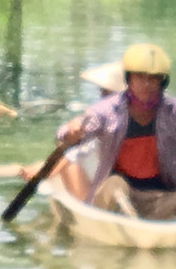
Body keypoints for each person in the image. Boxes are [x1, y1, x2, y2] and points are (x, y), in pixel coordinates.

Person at [58, 43, 176, 219]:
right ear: (129, 79)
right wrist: (71, 133)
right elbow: (72, 136)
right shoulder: (107, 111)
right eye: (140, 77)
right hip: (118, 196)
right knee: (115, 185)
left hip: (161, 197)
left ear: (163, 82)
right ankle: (132, 220)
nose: (147, 84)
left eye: (154, 79)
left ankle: (155, 225)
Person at [19, 61, 126, 201]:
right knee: (69, 148)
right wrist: (73, 126)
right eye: (103, 91)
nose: (102, 95)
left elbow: (75, 154)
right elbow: (64, 136)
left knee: (70, 162)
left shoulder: (118, 120)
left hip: (112, 180)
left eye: (107, 92)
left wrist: (45, 172)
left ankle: (86, 205)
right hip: (108, 174)